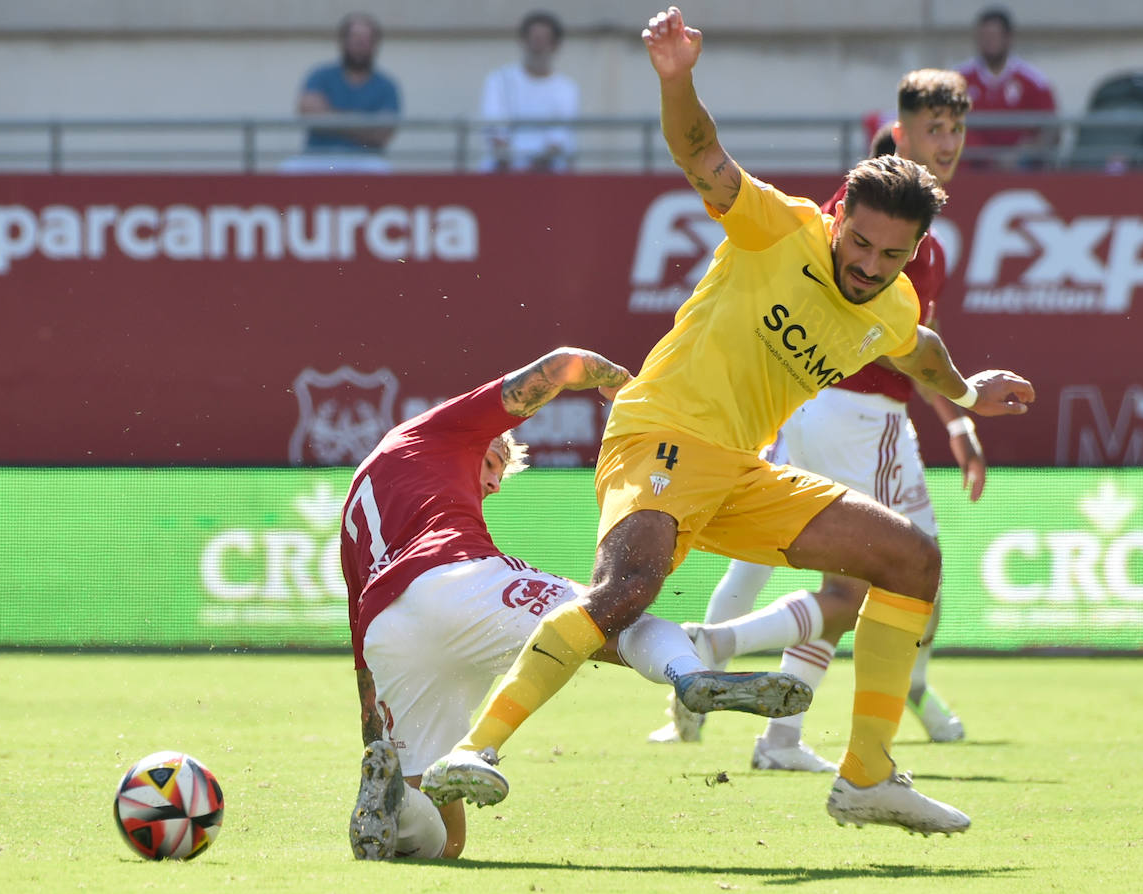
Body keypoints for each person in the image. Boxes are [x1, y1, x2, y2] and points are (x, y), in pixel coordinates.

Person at [422, 7, 1035, 837]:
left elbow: (917, 349)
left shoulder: (889, 302)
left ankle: (865, 776)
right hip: (660, 431)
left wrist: (964, 398)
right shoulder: (776, 225)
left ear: (914, 251)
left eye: (891, 256)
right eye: (858, 243)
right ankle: (475, 752)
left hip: (742, 470)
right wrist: (677, 78)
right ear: (838, 215)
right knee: (625, 591)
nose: (866, 265)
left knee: (911, 560)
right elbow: (701, 154)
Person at [343, 346, 810, 860]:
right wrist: (626, 389)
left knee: (444, 841)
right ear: (481, 441)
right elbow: (564, 363)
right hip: (452, 580)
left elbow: (363, 644)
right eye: (494, 463)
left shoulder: (361, 495)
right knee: (614, 614)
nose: (496, 483)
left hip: (387, 630)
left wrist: (377, 743)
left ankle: (393, 802)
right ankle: (690, 673)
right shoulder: (436, 431)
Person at [650, 70, 984, 770]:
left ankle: (776, 729)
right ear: (900, 131)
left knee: (797, 563)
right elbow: (889, 339)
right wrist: (965, 405)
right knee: (880, 578)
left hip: (815, 407)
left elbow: (916, 345)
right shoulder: (861, 213)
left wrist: (960, 417)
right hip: (857, 415)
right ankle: (718, 655)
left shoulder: (914, 233)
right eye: (933, 129)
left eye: (957, 130)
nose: (947, 143)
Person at [282, 12, 401, 174]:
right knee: (288, 169)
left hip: (364, 160)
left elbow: (382, 133)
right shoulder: (320, 75)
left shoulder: (387, 85)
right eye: (355, 38)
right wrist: (364, 123)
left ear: (375, 45)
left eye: (366, 40)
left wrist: (331, 118)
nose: (360, 44)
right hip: (318, 158)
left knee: (383, 170)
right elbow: (309, 112)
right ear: (343, 41)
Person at [478, 10, 581, 172]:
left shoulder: (566, 88)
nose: (537, 46)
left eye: (543, 39)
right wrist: (513, 168)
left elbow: (558, 140)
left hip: (549, 176)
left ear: (555, 45)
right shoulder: (499, 80)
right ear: (523, 41)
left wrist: (532, 172)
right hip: (502, 173)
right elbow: (495, 132)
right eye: (533, 38)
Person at [957, 6, 1057, 170]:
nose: (988, 42)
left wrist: (1021, 153)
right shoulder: (958, 79)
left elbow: (1051, 130)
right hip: (972, 169)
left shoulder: (1033, 81)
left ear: (1008, 38)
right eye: (983, 36)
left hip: (1021, 169)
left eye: (993, 36)